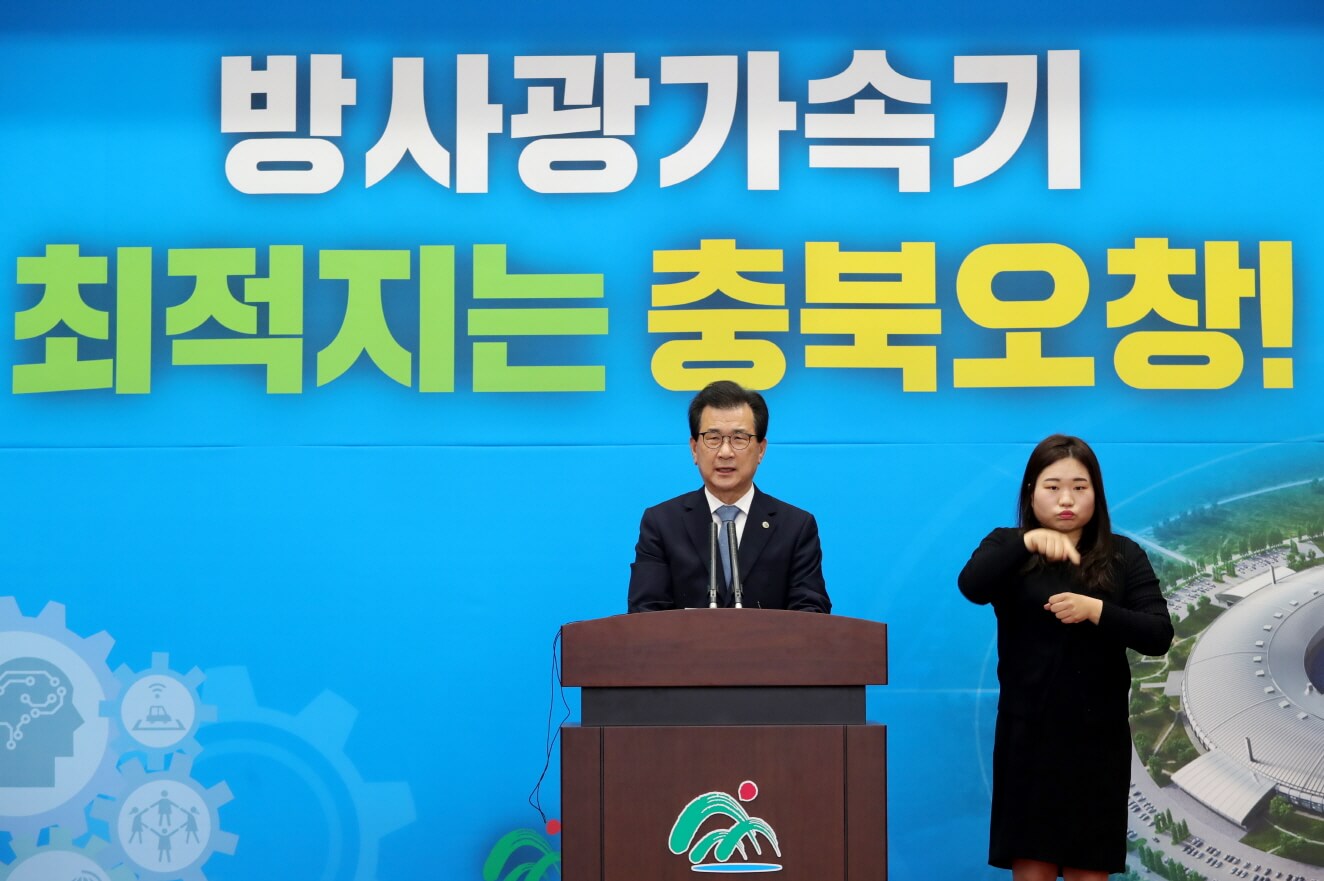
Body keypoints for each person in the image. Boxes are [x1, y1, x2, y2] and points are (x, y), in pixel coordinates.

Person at [957, 434, 1173, 881]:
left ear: (1097, 493)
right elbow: (972, 586)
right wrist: (1030, 541)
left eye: (1079, 487)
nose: (1067, 499)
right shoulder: (1006, 545)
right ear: (1030, 492)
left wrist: (1096, 610)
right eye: (1052, 487)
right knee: (1031, 865)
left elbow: (1158, 634)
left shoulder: (1123, 554)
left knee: (1087, 869)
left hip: (1097, 739)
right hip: (1026, 735)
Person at [627, 380, 831, 613]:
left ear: (761, 450)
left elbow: (811, 611)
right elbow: (645, 612)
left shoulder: (795, 527)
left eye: (739, 439)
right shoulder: (662, 523)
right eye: (713, 438)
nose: (725, 452)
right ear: (694, 449)